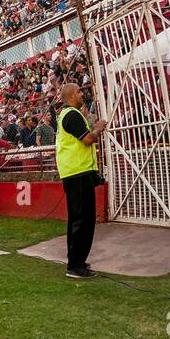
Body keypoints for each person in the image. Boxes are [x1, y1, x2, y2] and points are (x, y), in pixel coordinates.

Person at [57, 82, 106, 279]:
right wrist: (98, 129)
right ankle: (75, 265)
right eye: (78, 91)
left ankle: (76, 260)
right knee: (83, 220)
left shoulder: (68, 115)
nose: (81, 93)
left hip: (75, 172)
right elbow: (87, 140)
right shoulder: (72, 115)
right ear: (70, 96)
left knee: (79, 219)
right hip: (77, 173)